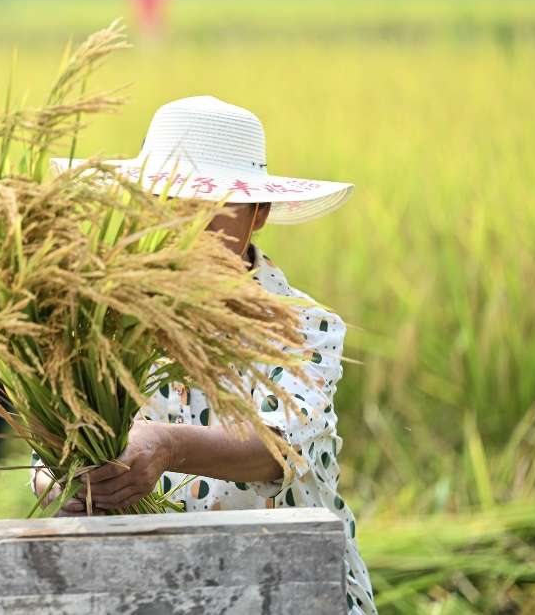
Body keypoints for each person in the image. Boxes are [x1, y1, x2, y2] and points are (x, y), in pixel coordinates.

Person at [38, 95, 376, 615]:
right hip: (146, 590)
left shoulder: (304, 324)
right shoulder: (98, 321)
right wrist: (80, 479)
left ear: (257, 215)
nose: (188, 227)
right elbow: (49, 455)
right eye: (164, 205)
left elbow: (278, 446)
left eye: (215, 207)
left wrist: (167, 445)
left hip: (285, 587)